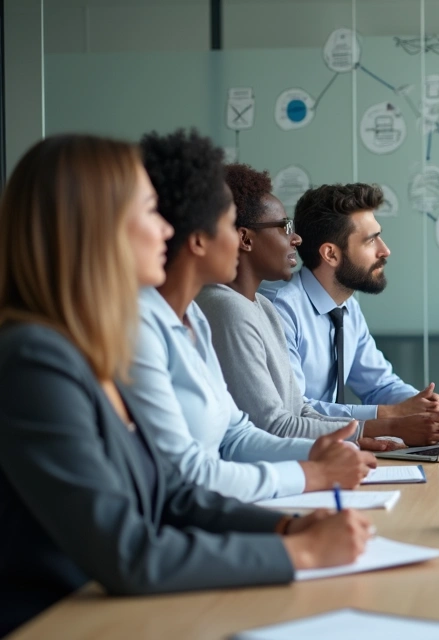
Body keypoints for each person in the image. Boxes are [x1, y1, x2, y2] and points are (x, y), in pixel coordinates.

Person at [0, 134, 371, 636]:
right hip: (65, 621)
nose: (166, 230)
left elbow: (171, 493)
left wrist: (286, 526)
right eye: (151, 212)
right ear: (94, 229)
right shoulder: (34, 360)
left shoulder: (87, 347)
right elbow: (128, 551)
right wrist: (299, 551)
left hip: (128, 609)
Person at [123, 129, 374, 502]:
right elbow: (187, 473)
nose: (294, 239)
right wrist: (311, 473)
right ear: (199, 239)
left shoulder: (194, 315)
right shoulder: (180, 316)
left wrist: (326, 452)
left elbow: (237, 433)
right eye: (229, 225)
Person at [196, 164, 439, 447]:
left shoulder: (265, 307)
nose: (295, 238)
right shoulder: (260, 308)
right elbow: (275, 424)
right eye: (284, 227)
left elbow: (304, 410)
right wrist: (382, 425)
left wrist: (425, 413)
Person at [261, 183, 439, 422]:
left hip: (340, 447)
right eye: (371, 241)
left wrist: (421, 404)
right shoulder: (280, 309)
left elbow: (379, 385)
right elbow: (295, 408)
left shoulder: (347, 307)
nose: (385, 250)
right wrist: (388, 414)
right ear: (331, 254)